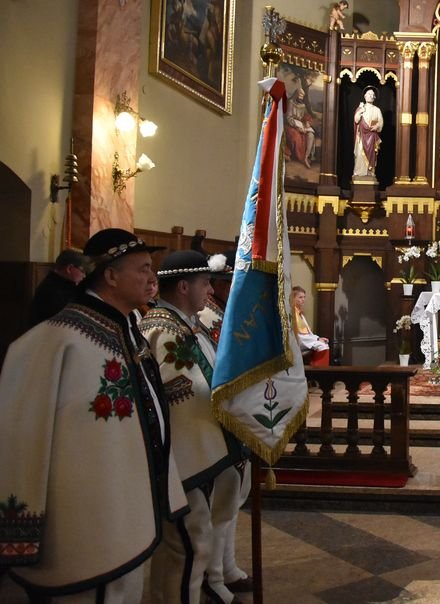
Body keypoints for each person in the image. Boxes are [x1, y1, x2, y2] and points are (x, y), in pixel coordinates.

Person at [0, 228, 186, 602]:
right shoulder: (53, 342)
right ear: (111, 275)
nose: (152, 278)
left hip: (126, 512)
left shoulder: (128, 331)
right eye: (143, 268)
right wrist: (21, 532)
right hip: (82, 526)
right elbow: (21, 437)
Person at [141, 250, 245, 604]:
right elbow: (182, 397)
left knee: (184, 546)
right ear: (184, 287)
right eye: (205, 283)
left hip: (192, 452)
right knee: (188, 544)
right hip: (182, 458)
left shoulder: (184, 324)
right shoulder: (162, 328)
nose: (210, 290)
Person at [196, 249, 253, 600]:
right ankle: (214, 573)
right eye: (229, 281)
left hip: (235, 415)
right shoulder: (205, 315)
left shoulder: (222, 310)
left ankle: (227, 566)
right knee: (221, 501)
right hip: (215, 419)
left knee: (233, 498)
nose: (235, 286)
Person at [28, 248, 88, 326]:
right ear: (69, 269)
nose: (84, 276)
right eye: (82, 271)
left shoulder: (60, 283)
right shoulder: (52, 290)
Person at [291, 286, 330, 366]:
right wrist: (317, 339)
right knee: (322, 346)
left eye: (304, 297)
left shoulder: (300, 314)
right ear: (293, 298)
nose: (303, 300)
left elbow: (308, 333)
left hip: (305, 340)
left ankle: (319, 368)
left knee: (325, 344)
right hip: (297, 341)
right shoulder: (291, 314)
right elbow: (298, 335)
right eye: (300, 297)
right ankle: (317, 370)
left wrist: (318, 338)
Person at [353, 86, 383, 179]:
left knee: (372, 154)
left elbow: (381, 122)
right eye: (368, 94)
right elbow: (356, 120)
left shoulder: (377, 110)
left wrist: (377, 126)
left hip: (372, 136)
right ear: (365, 96)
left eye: (372, 94)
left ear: (374, 97)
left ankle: (370, 172)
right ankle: (359, 172)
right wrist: (360, 111)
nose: (370, 96)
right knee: (360, 154)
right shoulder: (361, 108)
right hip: (362, 136)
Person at [285, 87, 317, 168]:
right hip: (291, 126)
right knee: (296, 137)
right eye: (300, 96)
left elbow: (305, 116)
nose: (301, 98)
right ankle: (301, 157)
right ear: (296, 95)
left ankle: (306, 157)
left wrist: (307, 122)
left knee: (311, 135)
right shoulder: (291, 103)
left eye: (302, 96)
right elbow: (288, 118)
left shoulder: (303, 105)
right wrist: (297, 127)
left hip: (301, 125)